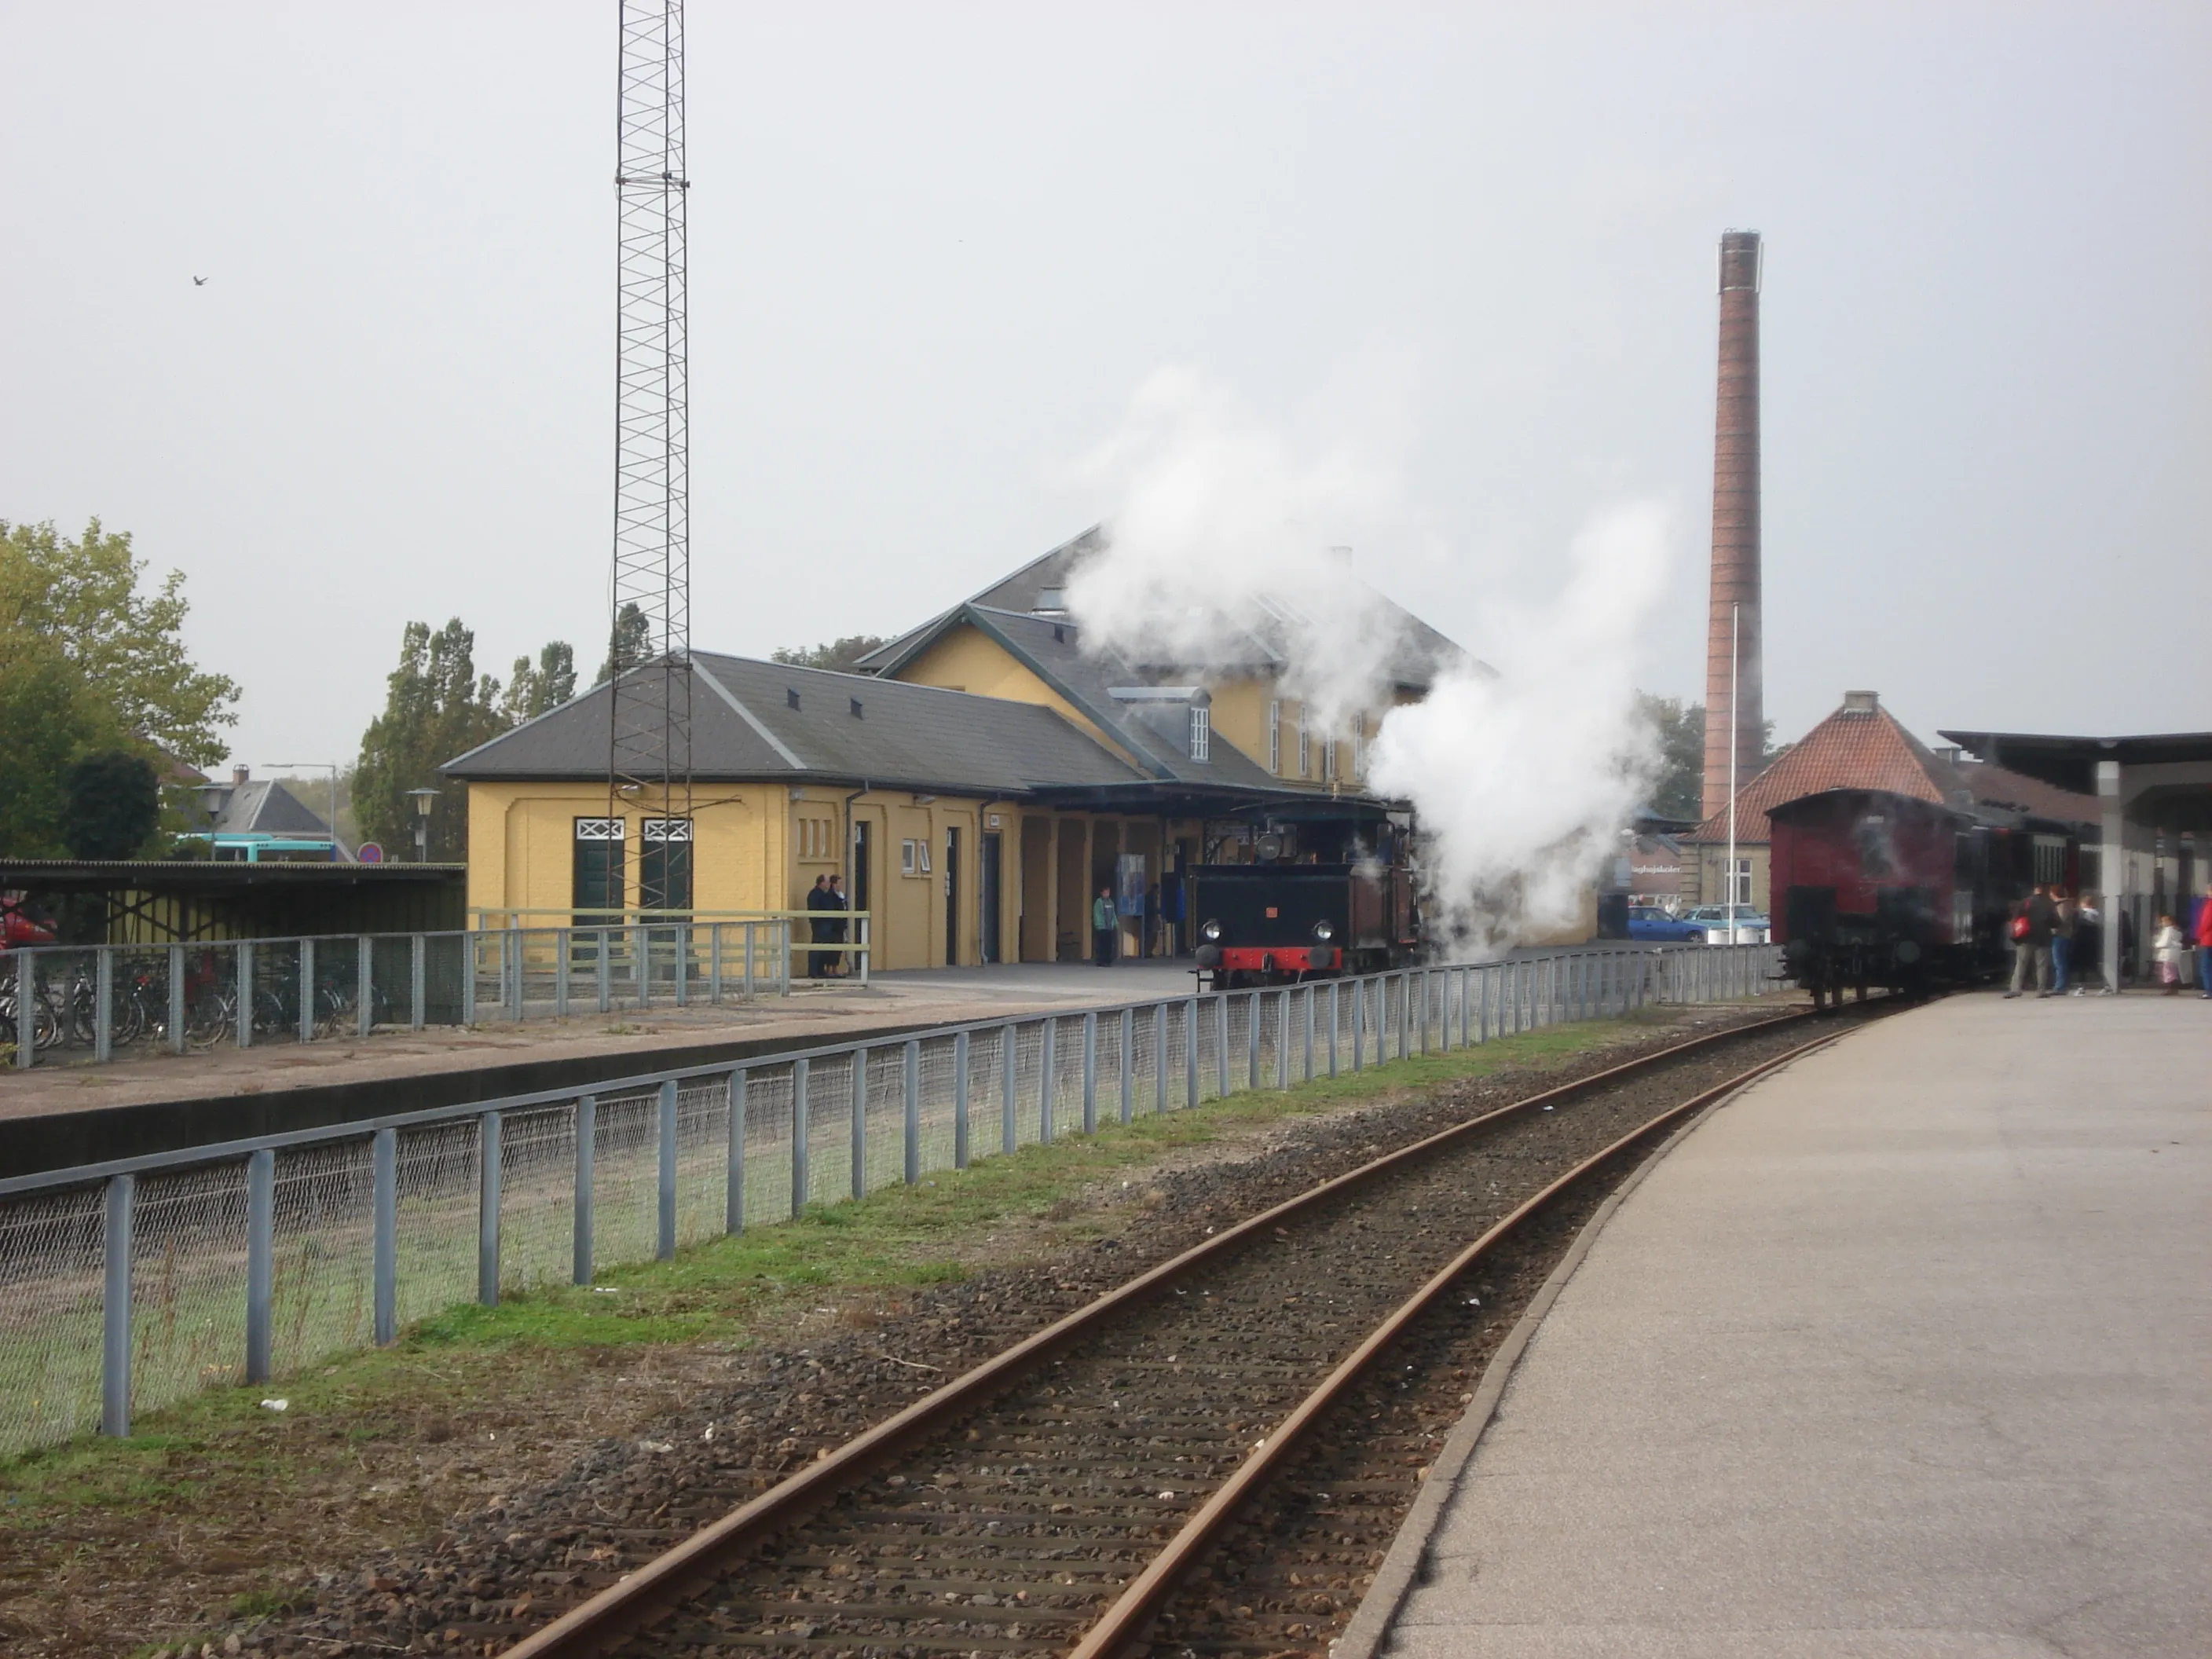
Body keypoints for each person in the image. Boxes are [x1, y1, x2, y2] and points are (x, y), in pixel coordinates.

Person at [2004, 884, 2057, 998]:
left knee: (2021, 964)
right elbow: (2056, 922)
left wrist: (2015, 936)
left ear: (2035, 890)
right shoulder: (2049, 904)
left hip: (2025, 938)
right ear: (2045, 891)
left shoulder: (2025, 902)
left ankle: (2015, 989)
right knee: (2042, 965)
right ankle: (2041, 990)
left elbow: (2015, 919)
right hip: (2043, 939)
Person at [2071, 892, 2107, 995]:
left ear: (2085, 904)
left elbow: (2077, 928)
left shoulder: (2081, 915)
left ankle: (2081, 987)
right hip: (2093, 943)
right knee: (2093, 966)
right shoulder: (2098, 915)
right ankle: (2105, 986)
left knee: (2082, 967)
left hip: (2081, 943)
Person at [804, 873, 833, 979]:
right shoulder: (815, 894)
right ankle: (813, 971)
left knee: (824, 948)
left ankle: (821, 970)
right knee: (817, 947)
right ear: (822, 883)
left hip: (826, 924)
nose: (829, 884)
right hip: (819, 925)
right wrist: (817, 921)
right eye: (827, 882)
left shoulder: (826, 894)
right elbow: (814, 909)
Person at [2049, 888, 2075, 994]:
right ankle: (2061, 985)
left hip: (2060, 936)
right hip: (2063, 935)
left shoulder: (2063, 905)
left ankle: (2060, 986)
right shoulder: (2063, 904)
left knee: (2059, 961)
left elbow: (2060, 921)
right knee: (2060, 961)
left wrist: (2051, 931)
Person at [2151, 914, 2185, 994]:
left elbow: (2165, 942)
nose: (2162, 923)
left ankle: (2170, 989)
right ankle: (2174, 988)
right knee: (2173, 972)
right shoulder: (2177, 930)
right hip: (2175, 954)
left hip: (2168, 954)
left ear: (2170, 921)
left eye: (2163, 921)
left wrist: (2156, 945)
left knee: (2167, 972)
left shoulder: (2168, 930)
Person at [826, 873, 851, 976]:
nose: (840, 886)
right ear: (833, 884)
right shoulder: (831, 896)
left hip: (841, 925)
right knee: (831, 948)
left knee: (839, 948)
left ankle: (835, 967)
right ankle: (829, 968)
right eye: (838, 883)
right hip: (834, 926)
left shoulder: (842, 895)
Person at [1092, 884, 1116, 967]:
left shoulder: (1110, 902)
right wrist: (1098, 924)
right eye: (1105, 892)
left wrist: (1115, 923)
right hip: (1102, 927)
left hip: (1109, 927)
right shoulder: (1099, 902)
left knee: (1109, 945)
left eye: (1108, 892)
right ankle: (1101, 960)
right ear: (1102, 893)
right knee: (1101, 944)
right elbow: (1097, 914)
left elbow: (1113, 914)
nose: (1107, 894)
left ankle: (1108, 960)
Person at [2196, 892, 2212, 998]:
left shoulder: (2210, 905)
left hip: (2209, 939)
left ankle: (2209, 991)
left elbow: (2206, 922)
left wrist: (2199, 934)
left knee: (2206, 966)